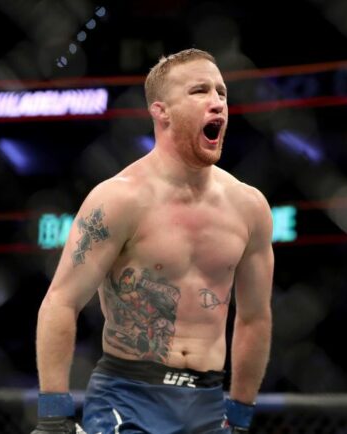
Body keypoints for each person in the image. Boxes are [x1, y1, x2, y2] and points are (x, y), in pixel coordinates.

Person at [32, 48, 274, 434]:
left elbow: (254, 318)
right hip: (127, 397)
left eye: (222, 93)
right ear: (161, 111)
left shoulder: (249, 207)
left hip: (208, 405)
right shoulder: (119, 199)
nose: (217, 104)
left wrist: (241, 417)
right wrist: (52, 416)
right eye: (199, 91)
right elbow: (61, 300)